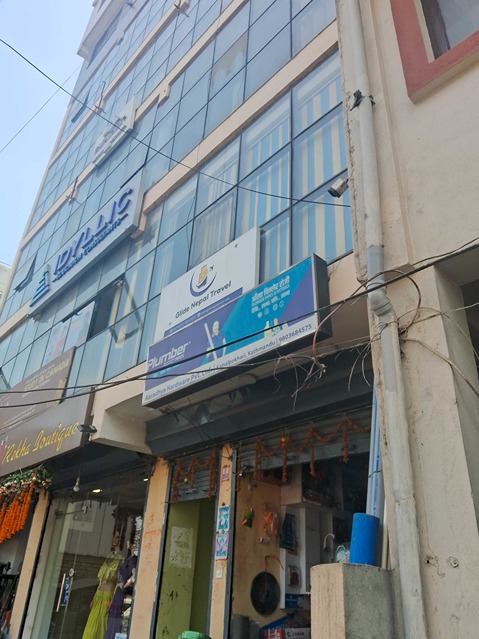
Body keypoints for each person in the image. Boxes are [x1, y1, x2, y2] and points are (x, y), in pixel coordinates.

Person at [81, 540, 124, 639]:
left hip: (108, 595)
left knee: (102, 626)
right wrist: (94, 596)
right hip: (99, 595)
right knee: (90, 629)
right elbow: (101, 580)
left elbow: (119, 581)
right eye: (114, 537)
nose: (115, 540)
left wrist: (114, 599)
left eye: (118, 537)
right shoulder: (108, 557)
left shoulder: (121, 559)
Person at [104, 543, 137, 639]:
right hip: (118, 594)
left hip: (122, 594)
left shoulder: (133, 560)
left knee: (117, 622)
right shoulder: (129, 559)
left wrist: (125, 586)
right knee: (113, 621)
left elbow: (134, 577)